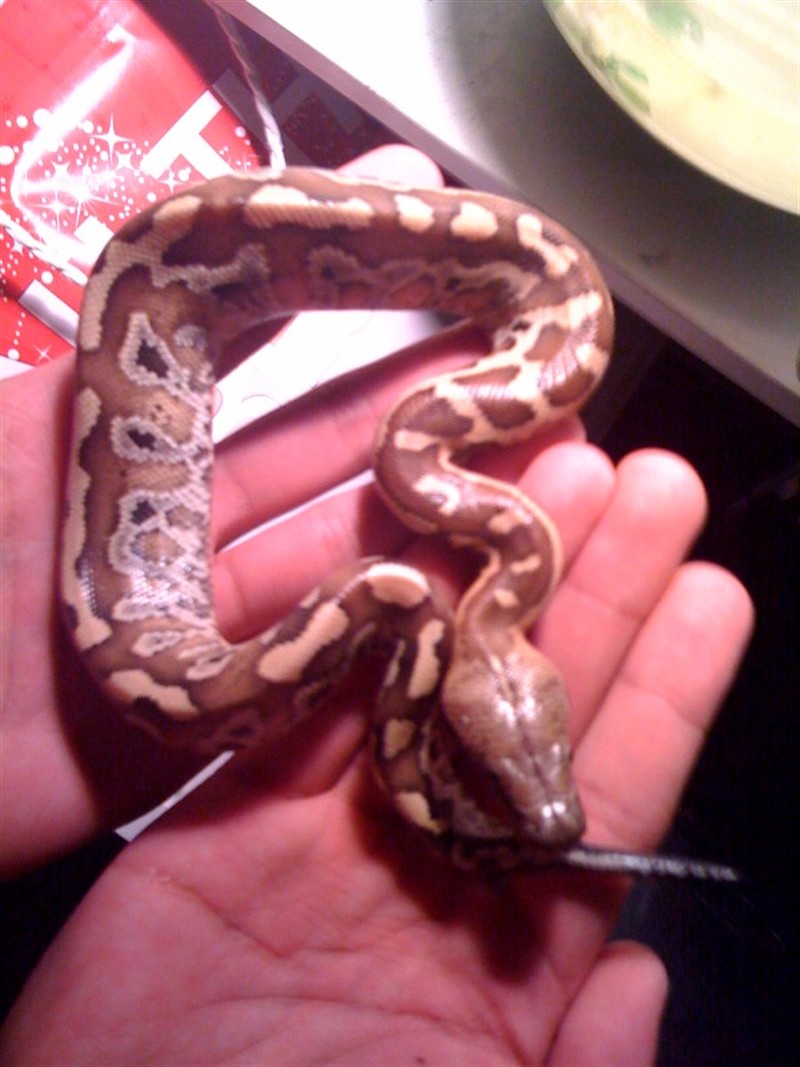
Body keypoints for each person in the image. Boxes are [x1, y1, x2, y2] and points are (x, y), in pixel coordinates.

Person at [0, 146, 752, 1065]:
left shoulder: (438, 584)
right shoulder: (430, 588)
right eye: (538, 760)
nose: (558, 803)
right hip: (162, 291)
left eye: (529, 763)